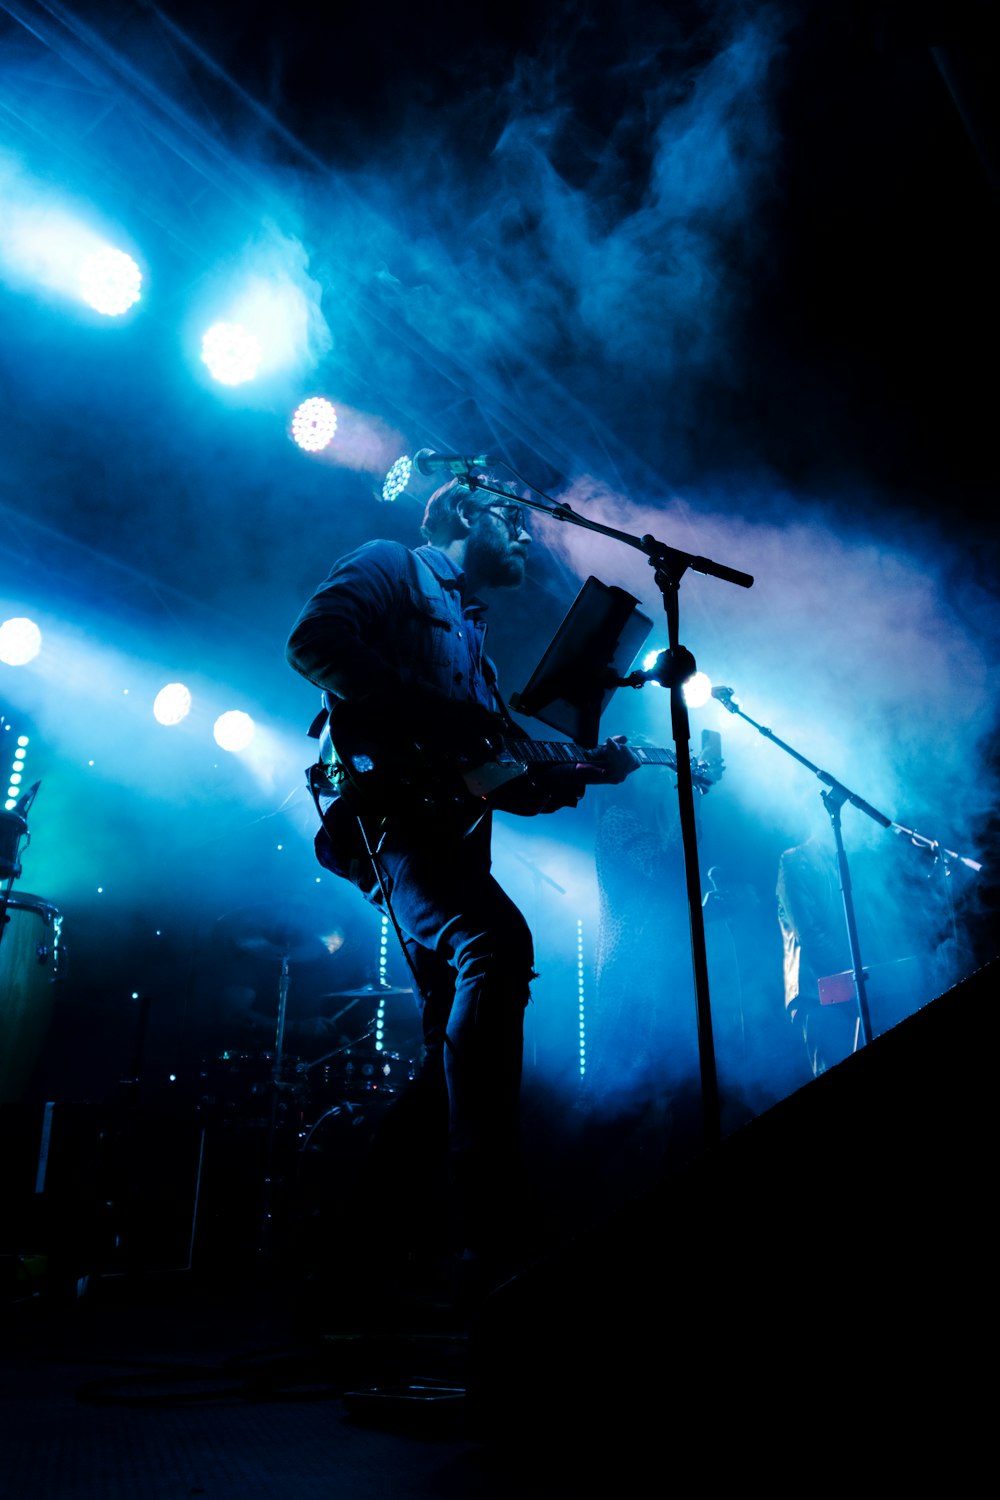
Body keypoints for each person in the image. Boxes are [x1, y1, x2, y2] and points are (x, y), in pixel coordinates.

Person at [285, 475, 639, 1308]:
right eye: (509, 521)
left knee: (449, 1050)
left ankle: (351, 1256)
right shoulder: (392, 566)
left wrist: (589, 768)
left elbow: (501, 780)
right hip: (390, 821)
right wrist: (432, 717)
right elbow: (314, 642)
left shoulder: (474, 644)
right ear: (458, 514)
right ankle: (493, 1220)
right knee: (496, 943)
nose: (524, 537)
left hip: (448, 837)